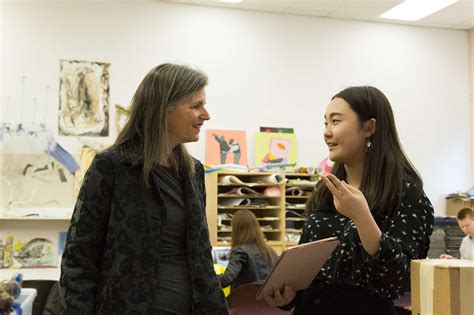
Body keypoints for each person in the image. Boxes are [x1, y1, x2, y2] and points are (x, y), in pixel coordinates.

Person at [59, 63, 228, 314]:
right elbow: (79, 259)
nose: (206, 114)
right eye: (196, 106)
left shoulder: (193, 172)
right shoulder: (113, 167)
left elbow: (201, 257)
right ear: (164, 109)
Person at [263, 86, 434, 314]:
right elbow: (308, 272)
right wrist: (288, 294)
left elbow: (401, 280)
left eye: (336, 121)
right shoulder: (326, 189)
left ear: (369, 127)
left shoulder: (406, 192)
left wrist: (362, 217)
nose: (326, 132)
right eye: (325, 123)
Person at [217, 210, 278, 291]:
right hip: (267, 301)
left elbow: (226, 279)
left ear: (236, 229)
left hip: (243, 301)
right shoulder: (271, 251)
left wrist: (205, 278)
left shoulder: (240, 250)